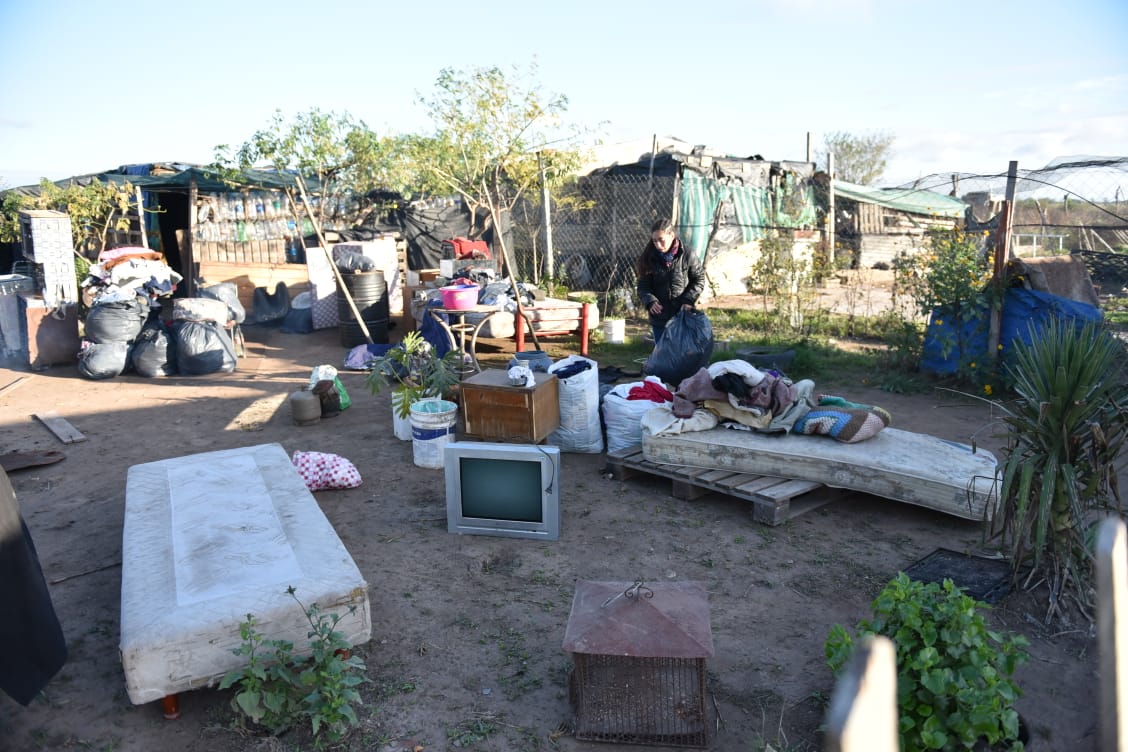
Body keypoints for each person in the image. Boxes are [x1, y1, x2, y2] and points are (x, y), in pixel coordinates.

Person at [636, 218, 705, 344]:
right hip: (659, 316)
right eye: (654, 241)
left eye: (661, 240)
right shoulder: (649, 258)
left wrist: (688, 300)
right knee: (662, 355)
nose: (657, 245)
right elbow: (643, 286)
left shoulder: (688, 255)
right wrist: (650, 301)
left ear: (672, 235)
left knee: (683, 356)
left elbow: (699, 279)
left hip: (682, 314)